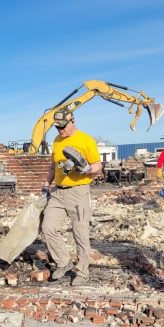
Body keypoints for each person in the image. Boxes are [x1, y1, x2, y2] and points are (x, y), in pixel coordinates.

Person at [41, 107, 102, 286]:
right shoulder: (57, 140)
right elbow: (53, 166)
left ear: (72, 121)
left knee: (80, 233)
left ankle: (82, 271)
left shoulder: (85, 140)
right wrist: (46, 184)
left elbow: (98, 164)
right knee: (48, 227)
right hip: (58, 193)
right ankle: (63, 262)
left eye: (63, 126)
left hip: (78, 192)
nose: (60, 130)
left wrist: (88, 170)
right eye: (57, 127)